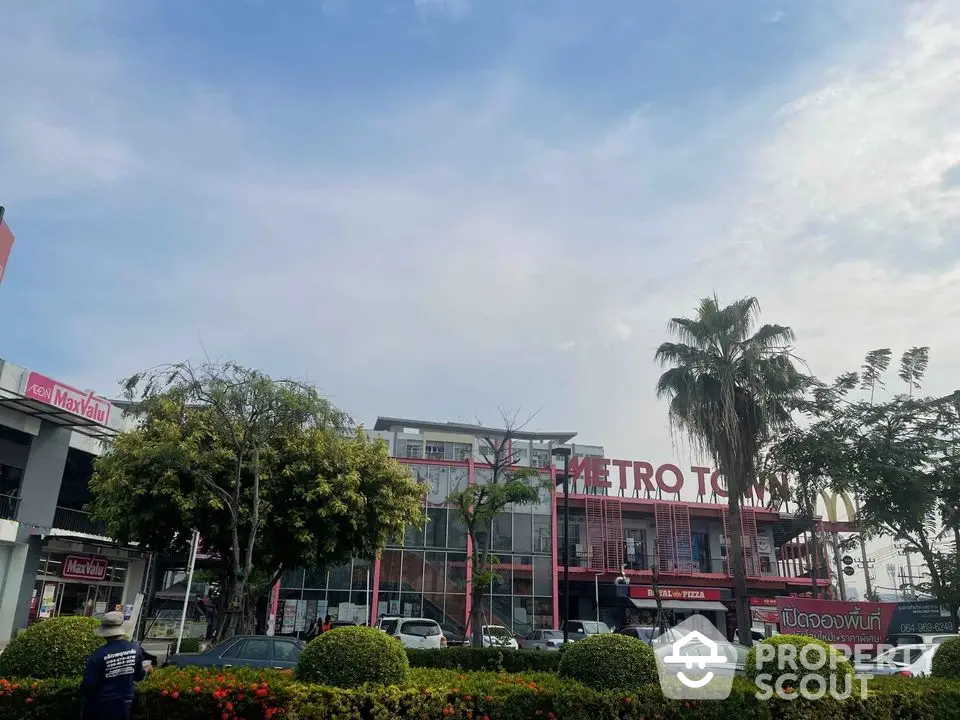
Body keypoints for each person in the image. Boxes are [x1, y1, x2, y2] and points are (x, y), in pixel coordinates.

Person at [80, 611, 148, 720]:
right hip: (126, 704)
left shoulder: (98, 655)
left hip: (102, 705)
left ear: (104, 633)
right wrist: (147, 670)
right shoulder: (135, 649)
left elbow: (89, 684)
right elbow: (138, 676)